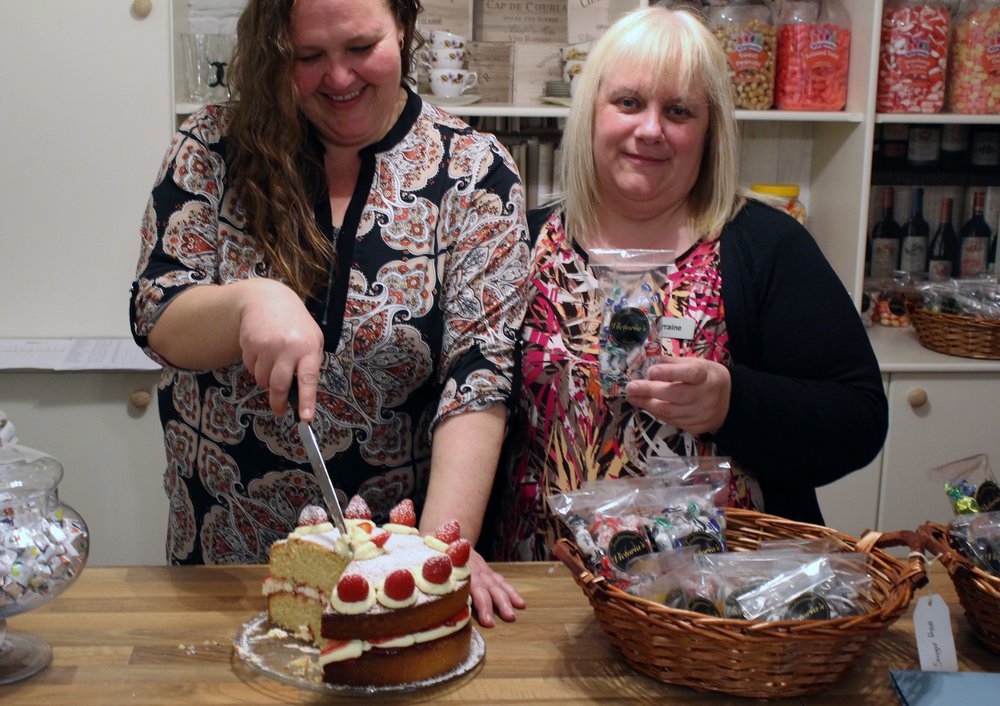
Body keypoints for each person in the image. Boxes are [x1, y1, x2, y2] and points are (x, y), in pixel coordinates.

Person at [129, 0, 529, 626]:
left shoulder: (474, 171)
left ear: (403, 24)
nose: (339, 79)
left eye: (361, 47)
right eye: (307, 57)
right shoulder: (210, 146)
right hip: (225, 565)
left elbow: (477, 379)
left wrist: (437, 552)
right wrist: (249, 300)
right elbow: (156, 314)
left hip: (392, 565)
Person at [493, 7, 888, 562]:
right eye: (628, 103)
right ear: (591, 113)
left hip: (715, 604)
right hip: (542, 588)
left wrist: (735, 402)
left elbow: (860, 419)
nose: (650, 129)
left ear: (709, 130)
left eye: (678, 110)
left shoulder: (765, 246)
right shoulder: (520, 245)